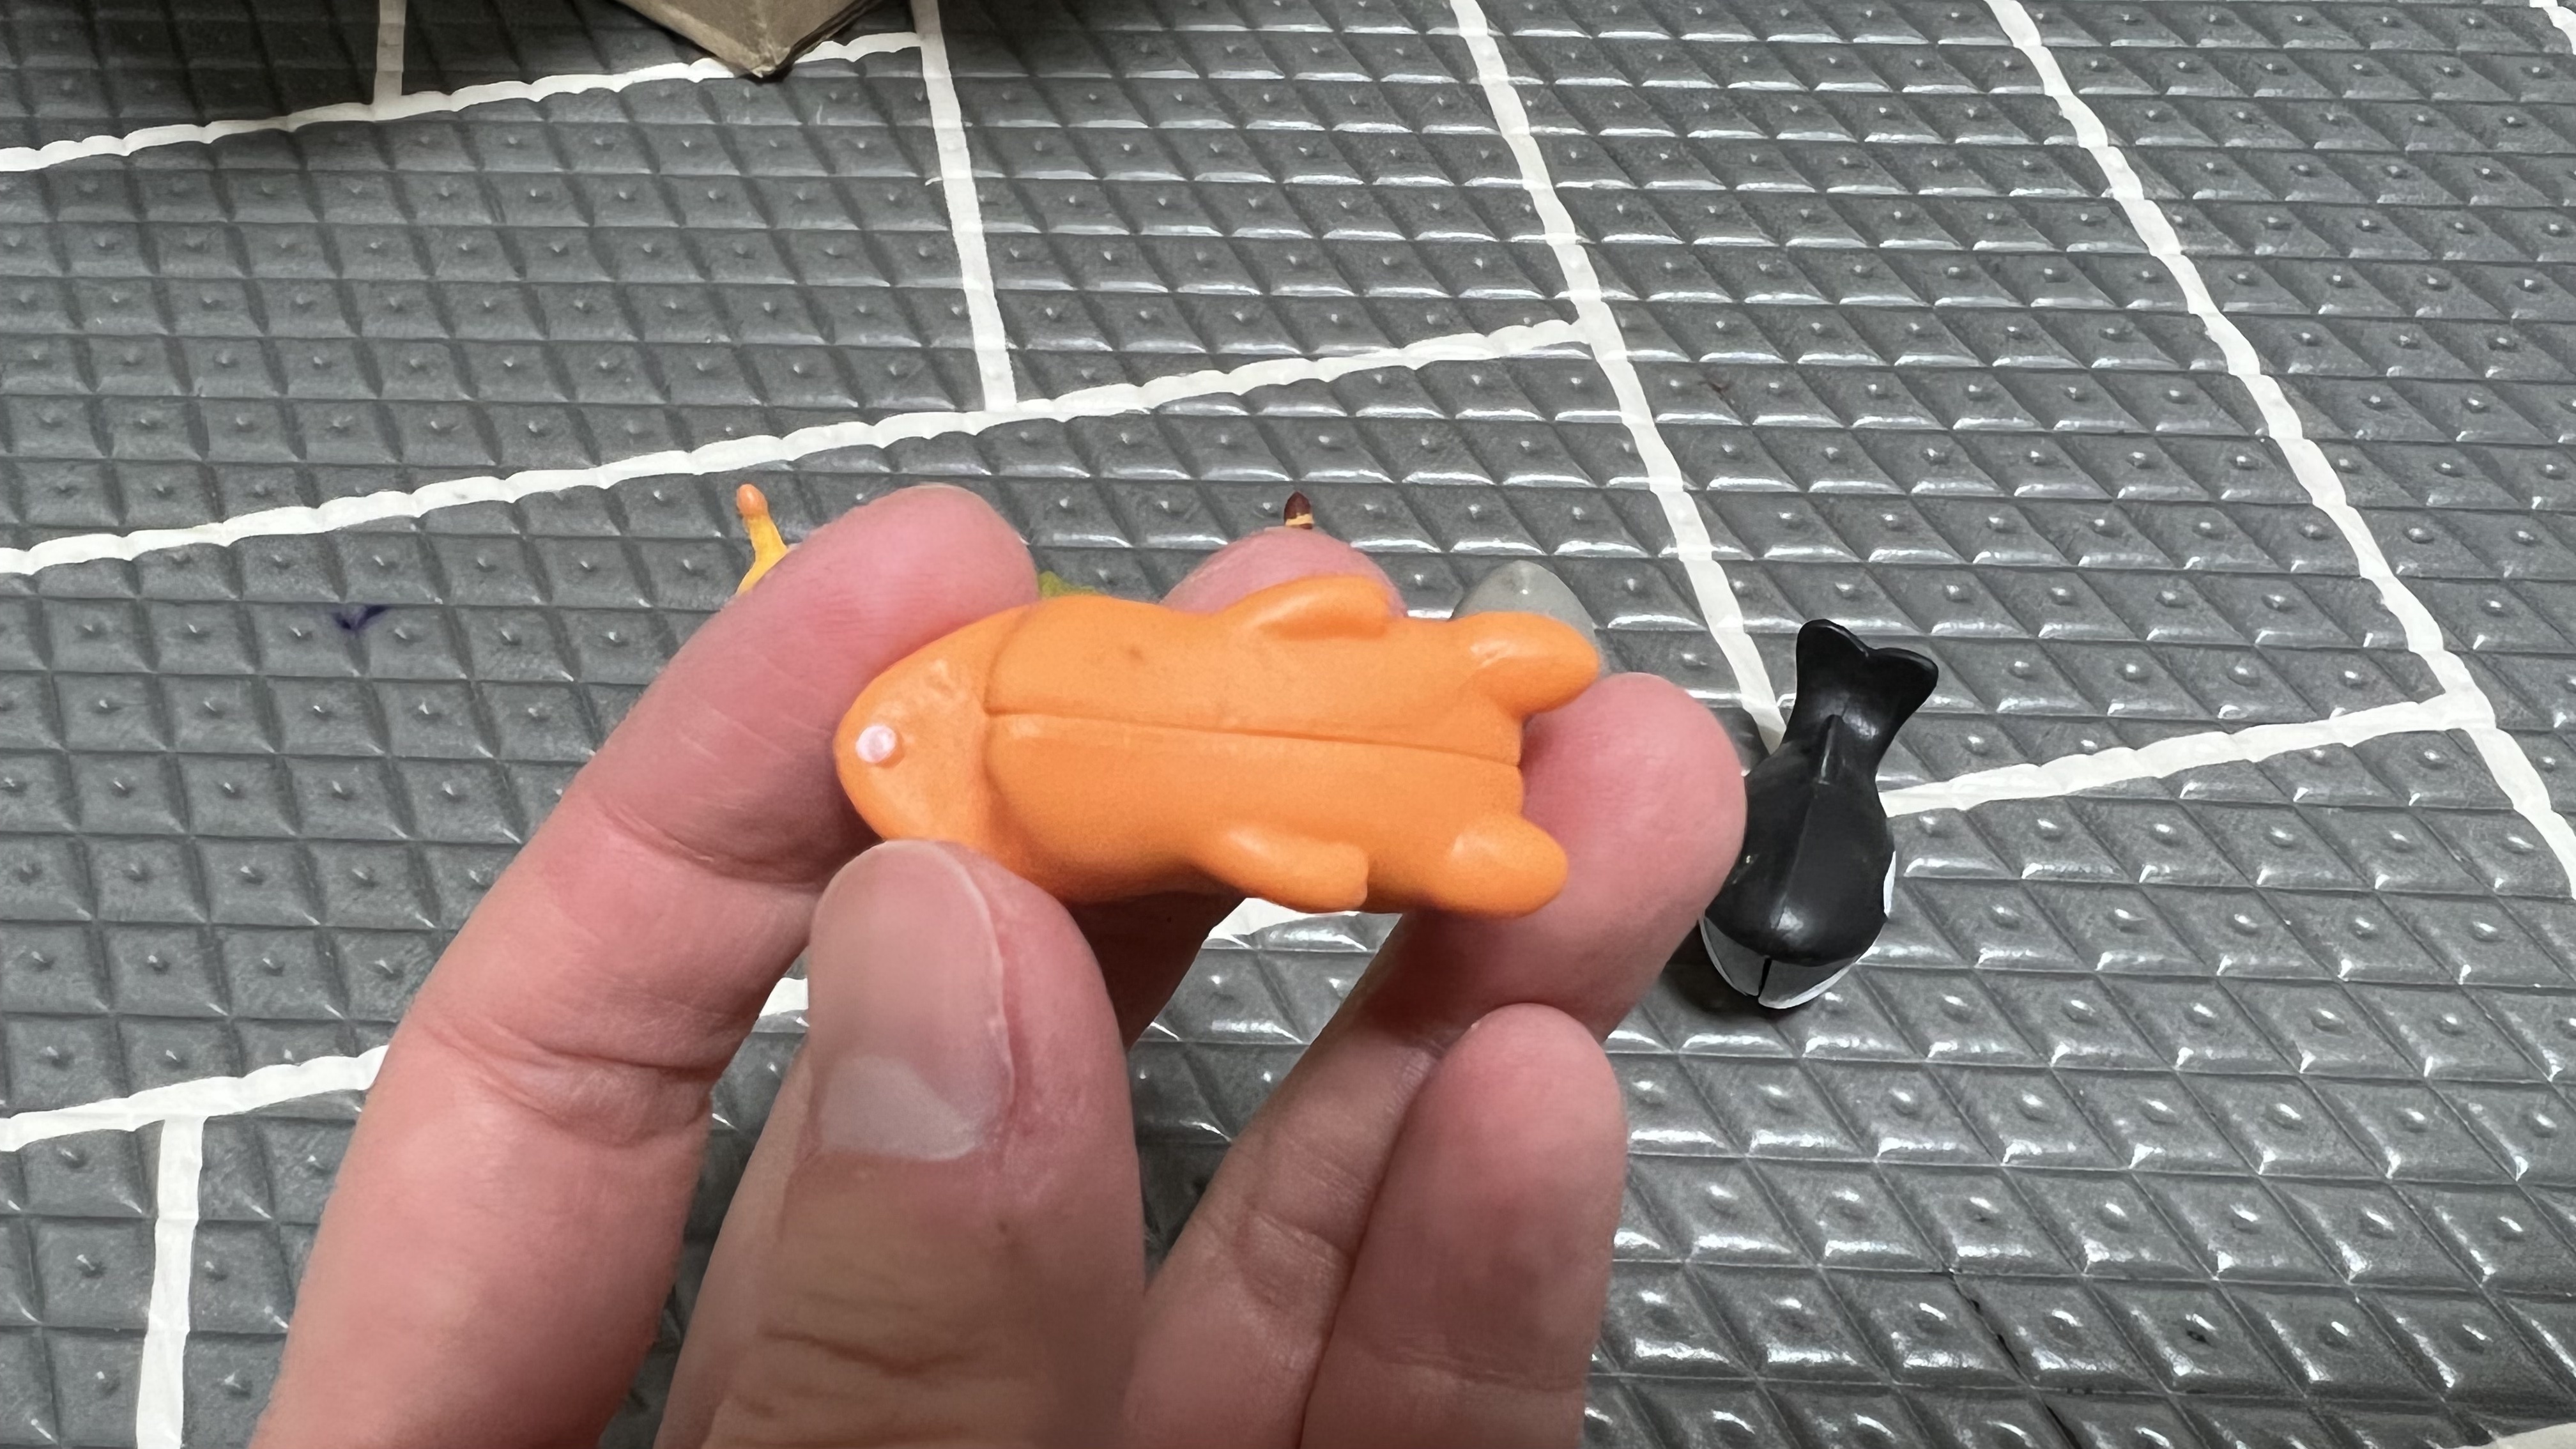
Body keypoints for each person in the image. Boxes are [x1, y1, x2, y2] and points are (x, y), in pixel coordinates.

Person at [247, 485, 1744, 1448]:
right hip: (1301, 781)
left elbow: (1289, 643)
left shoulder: (1067, 696)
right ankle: (1479, 737)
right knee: (1425, 844)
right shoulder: (1028, 728)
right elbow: (1271, 714)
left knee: (1431, 797)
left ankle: (1482, 710)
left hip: (1318, 745)